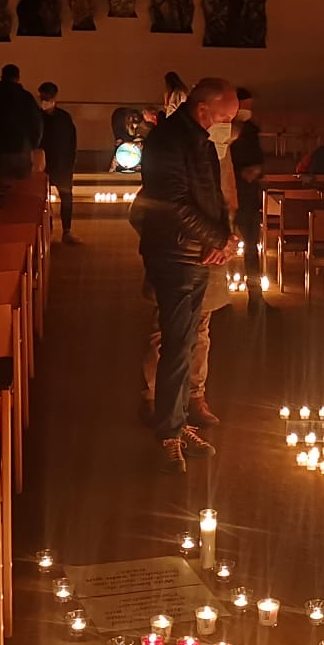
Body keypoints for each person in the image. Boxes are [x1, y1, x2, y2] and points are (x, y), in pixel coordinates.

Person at [130, 77, 238, 474]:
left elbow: (210, 197)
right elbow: (173, 203)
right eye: (224, 115)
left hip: (196, 253)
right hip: (174, 254)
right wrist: (218, 238)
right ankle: (169, 432)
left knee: (186, 343)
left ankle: (177, 423)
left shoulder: (201, 142)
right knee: (175, 344)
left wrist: (223, 237)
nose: (225, 122)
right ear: (203, 108)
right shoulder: (167, 142)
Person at [229, 87, 266, 310]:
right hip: (228, 192)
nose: (248, 110)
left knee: (252, 246)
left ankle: (256, 298)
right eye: (245, 105)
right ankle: (220, 301)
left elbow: (259, 158)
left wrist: (257, 169)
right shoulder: (223, 130)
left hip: (248, 196)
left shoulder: (251, 130)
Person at [0, 63, 43, 178]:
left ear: (2, 77)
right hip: (22, 147)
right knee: (22, 188)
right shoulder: (26, 97)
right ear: (18, 78)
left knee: (0, 187)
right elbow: (37, 124)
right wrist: (32, 144)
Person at [37, 81, 80, 244]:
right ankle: (49, 231)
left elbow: (71, 142)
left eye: (46, 97)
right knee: (43, 200)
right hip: (45, 164)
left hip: (61, 164)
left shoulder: (63, 118)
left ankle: (66, 231)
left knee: (66, 197)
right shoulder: (39, 116)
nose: (43, 100)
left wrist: (70, 162)